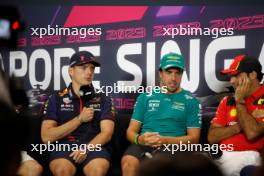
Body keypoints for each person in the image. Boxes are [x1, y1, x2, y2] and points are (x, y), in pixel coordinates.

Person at [121, 53, 202, 176]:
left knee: (162, 167)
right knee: (128, 163)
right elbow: (130, 132)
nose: (173, 78)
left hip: (174, 147)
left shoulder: (191, 100)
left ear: (182, 74)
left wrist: (164, 140)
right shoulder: (145, 97)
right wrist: (140, 139)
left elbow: (194, 139)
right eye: (169, 72)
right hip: (145, 143)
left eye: (178, 73)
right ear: (160, 73)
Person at [41, 51, 115, 176]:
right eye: (83, 67)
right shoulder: (55, 98)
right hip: (64, 147)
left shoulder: (104, 98)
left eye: (92, 68)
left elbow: (107, 134)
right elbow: (46, 137)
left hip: (94, 146)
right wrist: (79, 119)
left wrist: (86, 148)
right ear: (71, 71)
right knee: (62, 170)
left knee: (97, 170)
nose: (89, 72)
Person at [208, 54, 264, 176]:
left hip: (249, 157)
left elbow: (252, 133)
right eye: (230, 76)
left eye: (236, 75)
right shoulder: (227, 100)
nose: (231, 81)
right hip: (221, 156)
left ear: (253, 75)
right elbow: (212, 137)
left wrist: (240, 102)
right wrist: (240, 126)